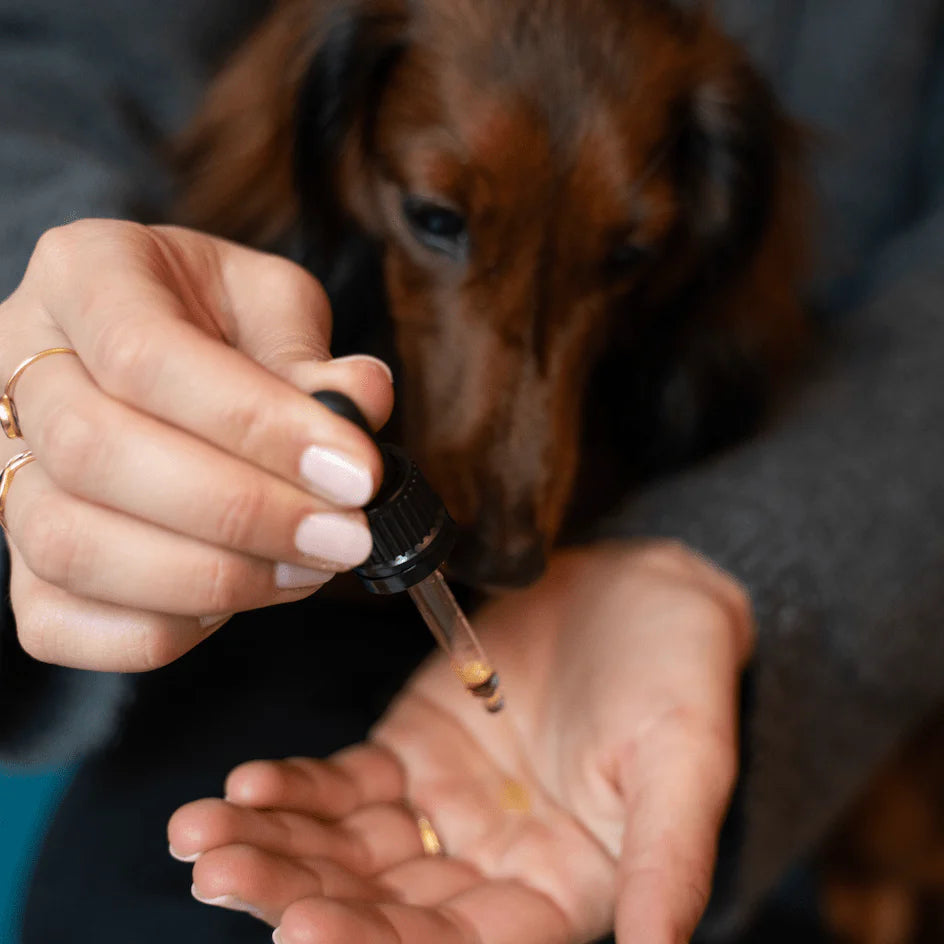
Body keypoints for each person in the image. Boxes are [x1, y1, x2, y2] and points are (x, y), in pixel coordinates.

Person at [0, 1, 942, 942]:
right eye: (437, 219)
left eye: (622, 257)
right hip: (287, 602)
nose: (514, 483)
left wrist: (730, 560)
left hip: (757, 559)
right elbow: (57, 59)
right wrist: (64, 345)